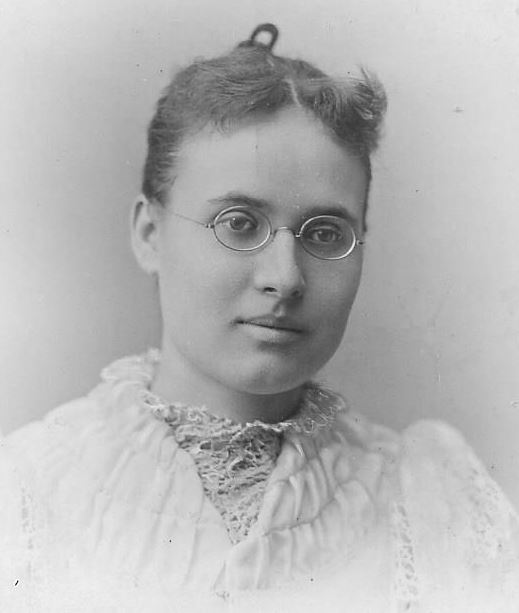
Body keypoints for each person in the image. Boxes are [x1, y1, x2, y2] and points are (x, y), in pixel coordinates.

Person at [1, 23, 518, 613]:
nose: (286, 277)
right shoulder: (24, 494)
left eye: (326, 234)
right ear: (149, 233)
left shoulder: (435, 504)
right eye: (239, 224)